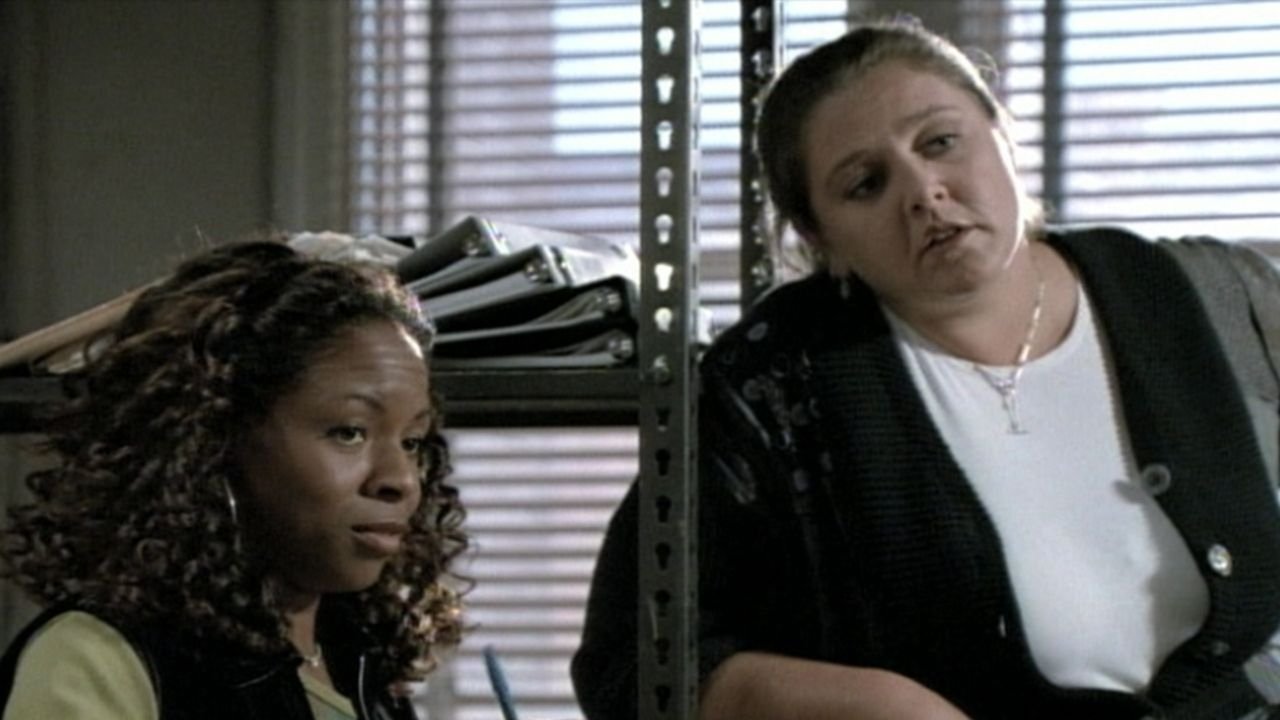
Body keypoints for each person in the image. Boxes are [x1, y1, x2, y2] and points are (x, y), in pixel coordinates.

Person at [573, 17, 1280, 720]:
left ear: (1002, 135)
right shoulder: (774, 378)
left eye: (940, 142)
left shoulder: (1191, 289)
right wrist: (874, 704)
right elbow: (631, 661)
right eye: (865, 184)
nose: (923, 192)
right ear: (820, 238)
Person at [0, 240, 469, 719]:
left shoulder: (359, 665)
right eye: (349, 432)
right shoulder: (97, 660)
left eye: (412, 441)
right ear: (212, 442)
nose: (400, 480)